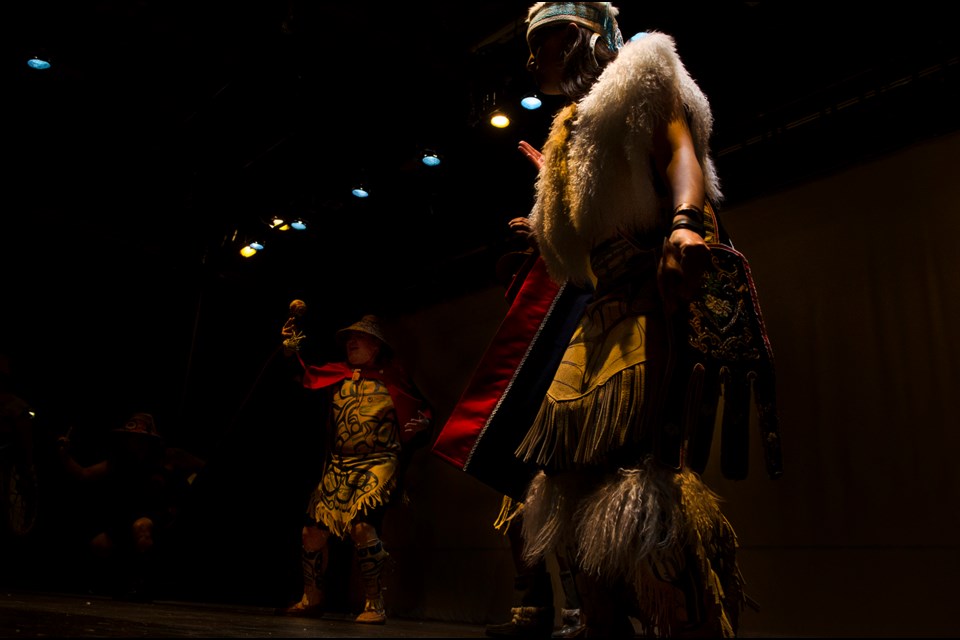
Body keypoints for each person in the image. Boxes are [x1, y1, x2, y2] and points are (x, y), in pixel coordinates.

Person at [470, 3, 781, 637]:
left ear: (579, 37)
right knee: (569, 481)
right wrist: (551, 220)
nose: (531, 59)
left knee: (641, 478)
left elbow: (679, 151)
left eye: (543, 42)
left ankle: (684, 622)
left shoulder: (642, 74)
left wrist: (687, 222)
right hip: (598, 309)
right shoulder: (572, 127)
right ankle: (601, 623)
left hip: (649, 300)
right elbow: (591, 223)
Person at [276, 309, 432, 625]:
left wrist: (416, 430)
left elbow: (423, 413)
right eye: (348, 338)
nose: (351, 342)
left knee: (363, 528)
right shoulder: (336, 374)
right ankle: (312, 598)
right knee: (311, 534)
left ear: (377, 345)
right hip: (338, 466)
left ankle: (374, 602)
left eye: (359, 337)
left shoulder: (394, 377)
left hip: (378, 464)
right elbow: (301, 376)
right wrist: (291, 347)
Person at [56, 411, 205, 601]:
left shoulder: (170, 457)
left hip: (159, 514)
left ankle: (143, 585)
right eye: (129, 437)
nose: (132, 441)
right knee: (98, 545)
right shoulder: (119, 461)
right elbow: (85, 474)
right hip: (128, 514)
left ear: (149, 439)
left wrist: (184, 494)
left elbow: (203, 468)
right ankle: (114, 583)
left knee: (141, 527)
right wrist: (65, 457)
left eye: (138, 437)